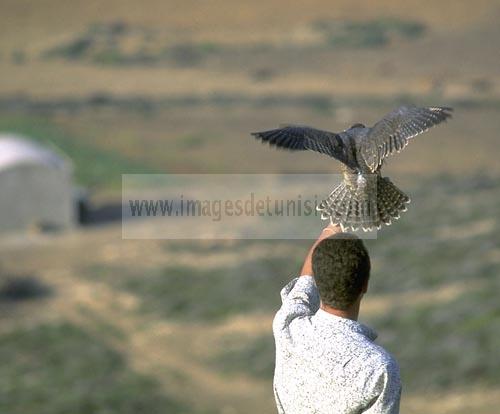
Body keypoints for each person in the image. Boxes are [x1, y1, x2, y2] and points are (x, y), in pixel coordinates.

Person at [273, 224, 401, 413]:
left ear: (317, 284)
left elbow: (305, 281)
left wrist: (330, 230)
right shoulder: (378, 368)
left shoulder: (288, 327)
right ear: (365, 285)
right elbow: (307, 280)